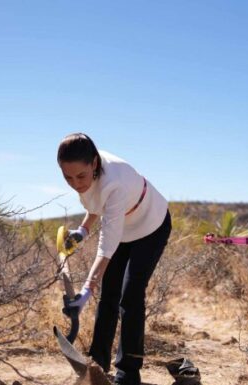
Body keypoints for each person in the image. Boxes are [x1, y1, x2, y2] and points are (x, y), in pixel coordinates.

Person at [57, 133, 171, 385]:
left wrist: (85, 292)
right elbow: (95, 203)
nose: (75, 183)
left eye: (80, 176)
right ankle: (97, 363)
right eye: (68, 177)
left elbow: (106, 247)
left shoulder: (114, 183)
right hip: (124, 228)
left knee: (130, 295)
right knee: (109, 294)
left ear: (94, 164)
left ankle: (128, 372)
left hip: (151, 226)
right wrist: (83, 230)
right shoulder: (86, 173)